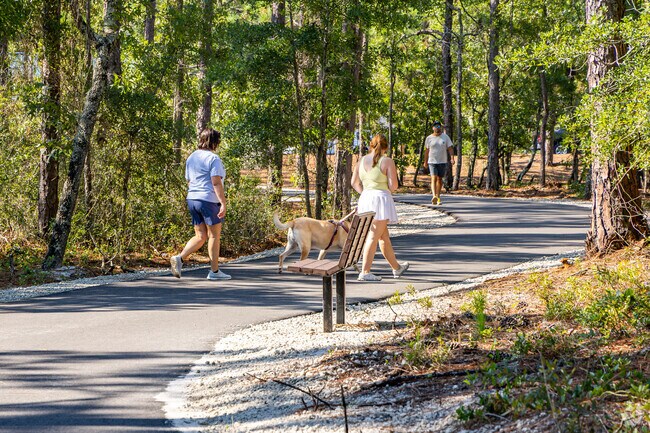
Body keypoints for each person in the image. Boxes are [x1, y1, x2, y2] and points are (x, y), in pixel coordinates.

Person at [170, 128, 231, 281]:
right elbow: (216, 182)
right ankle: (214, 272)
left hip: (192, 198)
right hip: (208, 199)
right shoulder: (213, 158)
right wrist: (223, 203)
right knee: (214, 236)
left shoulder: (191, 157)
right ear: (214, 142)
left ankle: (179, 258)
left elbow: (189, 180)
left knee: (200, 236)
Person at [352, 134, 409, 282]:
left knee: (383, 237)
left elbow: (354, 182)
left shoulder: (361, 161)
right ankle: (365, 271)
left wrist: (365, 192)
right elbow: (393, 185)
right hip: (380, 199)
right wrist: (383, 190)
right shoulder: (387, 161)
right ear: (386, 147)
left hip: (365, 198)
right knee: (373, 236)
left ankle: (396, 268)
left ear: (371, 145)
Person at [423, 121, 454, 205]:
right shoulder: (429, 138)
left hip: (442, 161)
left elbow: (450, 148)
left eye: (439, 126)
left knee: (439, 179)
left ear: (441, 127)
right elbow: (427, 151)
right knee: (433, 177)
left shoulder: (445, 137)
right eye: (435, 126)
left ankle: (438, 196)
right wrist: (425, 162)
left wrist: (452, 158)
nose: (437, 128)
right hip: (432, 161)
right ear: (433, 128)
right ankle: (434, 196)